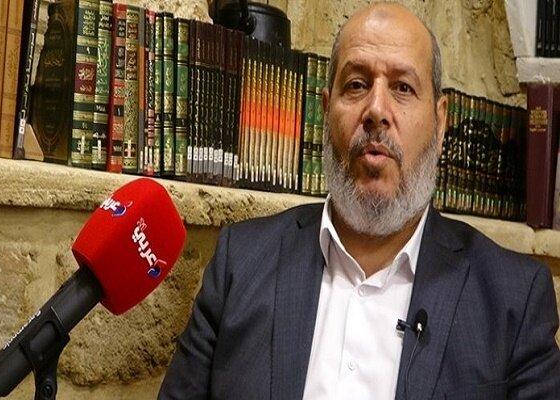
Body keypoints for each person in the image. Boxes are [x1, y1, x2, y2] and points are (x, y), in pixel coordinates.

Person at [158, 3, 560, 399]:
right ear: (325, 111)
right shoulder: (240, 263)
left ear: (440, 125)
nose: (376, 110)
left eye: (402, 88)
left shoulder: (513, 299)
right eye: (356, 85)